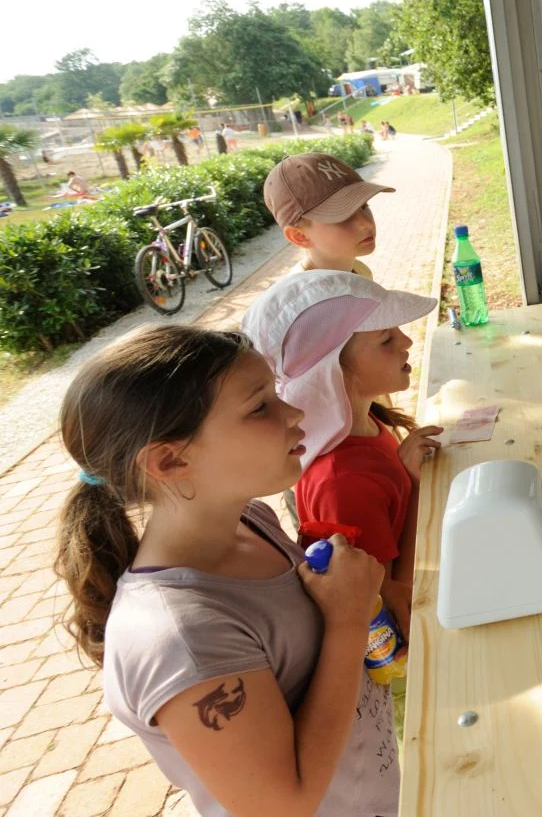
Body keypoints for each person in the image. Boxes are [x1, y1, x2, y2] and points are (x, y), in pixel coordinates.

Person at [53, 325, 399, 816]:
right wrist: (348, 621)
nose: (293, 413)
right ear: (169, 460)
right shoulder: (179, 638)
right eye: (260, 407)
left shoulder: (252, 521)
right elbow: (284, 806)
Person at [242, 271, 441, 643]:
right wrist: (415, 487)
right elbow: (393, 604)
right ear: (332, 371)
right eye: (386, 339)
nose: (407, 341)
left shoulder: (361, 422)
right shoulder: (343, 481)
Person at [263, 152, 391, 279]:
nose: (367, 223)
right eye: (344, 215)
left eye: (364, 206)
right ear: (299, 236)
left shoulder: (360, 271)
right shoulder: (308, 292)